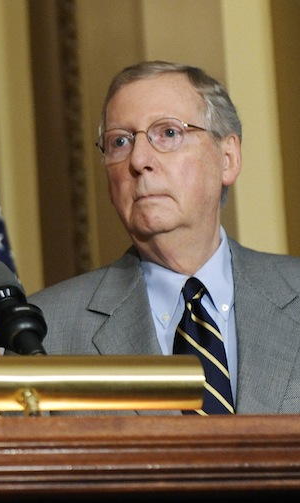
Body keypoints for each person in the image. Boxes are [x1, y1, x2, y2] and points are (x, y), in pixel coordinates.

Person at [28, 60, 300, 415]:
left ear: (228, 158)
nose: (139, 159)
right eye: (120, 142)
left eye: (168, 133)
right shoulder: (44, 333)